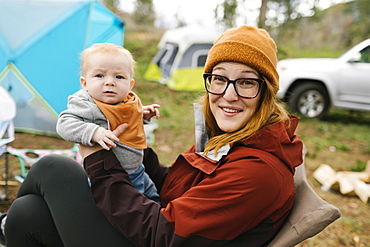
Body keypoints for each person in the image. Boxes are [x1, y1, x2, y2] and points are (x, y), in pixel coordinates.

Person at [1, 25, 303, 247]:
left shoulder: (258, 172)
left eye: (247, 82)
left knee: (54, 168)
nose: (229, 94)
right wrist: (130, 142)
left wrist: (99, 159)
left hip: (155, 239)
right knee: (26, 215)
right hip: (155, 229)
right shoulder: (231, 138)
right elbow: (176, 186)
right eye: (220, 78)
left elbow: (164, 234)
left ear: (267, 91)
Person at [56, 43, 160, 202]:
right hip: (110, 175)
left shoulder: (126, 101)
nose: (110, 82)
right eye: (100, 75)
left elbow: (124, 119)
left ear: (130, 84)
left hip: (137, 169)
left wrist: (143, 114)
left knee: (153, 196)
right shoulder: (88, 104)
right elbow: (64, 124)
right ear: (85, 83)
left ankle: (161, 217)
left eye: (119, 77)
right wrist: (94, 132)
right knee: (131, 206)